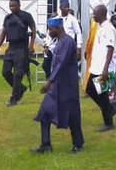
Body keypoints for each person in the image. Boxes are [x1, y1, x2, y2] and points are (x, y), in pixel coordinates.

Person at [32, 17, 84, 154]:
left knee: (72, 115)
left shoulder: (67, 42)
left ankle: (78, 144)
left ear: (58, 28)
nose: (49, 32)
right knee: (44, 113)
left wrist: (49, 81)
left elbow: (61, 63)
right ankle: (46, 145)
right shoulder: (59, 41)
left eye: (50, 29)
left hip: (67, 85)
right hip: (57, 85)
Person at [84, 4, 116, 131]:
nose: (93, 16)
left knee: (102, 94)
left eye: (95, 14)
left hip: (105, 67)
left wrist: (105, 69)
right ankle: (110, 109)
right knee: (89, 89)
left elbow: (110, 48)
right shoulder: (98, 26)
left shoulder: (108, 28)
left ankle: (108, 122)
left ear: (102, 14)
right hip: (96, 65)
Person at [0, 0, 36, 106]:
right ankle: (21, 89)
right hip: (11, 48)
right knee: (5, 72)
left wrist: (31, 45)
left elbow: (33, 30)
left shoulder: (26, 16)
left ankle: (14, 99)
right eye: (10, 6)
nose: (12, 8)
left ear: (19, 5)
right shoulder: (8, 18)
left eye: (14, 5)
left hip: (21, 48)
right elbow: (3, 32)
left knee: (18, 75)